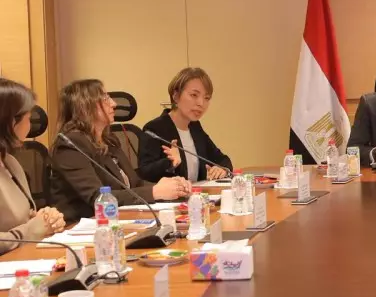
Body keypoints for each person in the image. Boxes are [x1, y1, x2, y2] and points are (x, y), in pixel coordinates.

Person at [50, 79, 191, 221]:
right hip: (82, 225)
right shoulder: (70, 145)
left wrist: (171, 187)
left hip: (118, 220)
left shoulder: (109, 140)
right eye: (105, 98)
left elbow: (135, 184)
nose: (114, 104)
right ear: (84, 106)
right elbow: (97, 198)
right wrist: (155, 192)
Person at [0, 79, 66, 254]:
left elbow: (24, 219)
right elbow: (27, 230)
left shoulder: (10, 162)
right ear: (10, 122)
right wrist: (31, 231)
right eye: (28, 118)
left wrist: (46, 219)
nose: (31, 126)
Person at [138, 68, 232, 183]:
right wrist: (170, 163)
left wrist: (222, 169)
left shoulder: (195, 127)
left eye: (206, 98)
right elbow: (143, 173)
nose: (201, 103)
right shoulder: (154, 129)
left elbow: (222, 159)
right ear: (176, 96)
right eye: (194, 95)